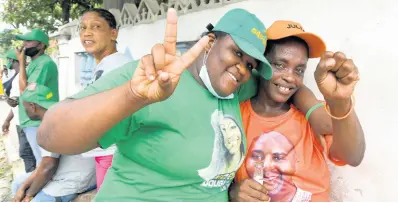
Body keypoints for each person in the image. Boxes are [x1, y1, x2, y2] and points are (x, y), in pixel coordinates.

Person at [37, 9, 329, 201]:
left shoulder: (236, 87)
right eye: (237, 53)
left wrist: (317, 108)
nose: (242, 68)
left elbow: (287, 86)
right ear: (210, 42)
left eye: (250, 63)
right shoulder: (154, 78)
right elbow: (51, 134)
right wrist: (133, 97)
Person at [230, 20, 365, 202]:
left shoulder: (311, 115)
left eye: (299, 70)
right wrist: (233, 192)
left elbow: (353, 156)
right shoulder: (235, 117)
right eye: (280, 65)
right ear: (260, 64)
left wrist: (340, 101)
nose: (290, 77)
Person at [12, 83, 96, 202]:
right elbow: (45, 164)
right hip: (73, 170)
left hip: (76, 180)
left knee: (35, 199)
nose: (24, 111)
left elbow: (48, 167)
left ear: (32, 106)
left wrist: (29, 195)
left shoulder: (50, 124)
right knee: (18, 184)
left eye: (24, 107)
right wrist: (23, 187)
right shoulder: (61, 113)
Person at [78, 8, 133, 190]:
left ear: (113, 33)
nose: (86, 33)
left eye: (96, 27)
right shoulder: (107, 64)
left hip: (114, 153)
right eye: (83, 27)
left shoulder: (117, 67)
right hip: (106, 151)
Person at [14, 28, 59, 165]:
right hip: (30, 121)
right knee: (37, 162)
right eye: (23, 42)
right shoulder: (35, 63)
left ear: (41, 45)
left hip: (38, 121)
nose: (24, 45)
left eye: (28, 41)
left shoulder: (44, 63)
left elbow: (25, 90)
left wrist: (21, 62)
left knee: (43, 164)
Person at [2, 49, 37, 173]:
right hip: (19, 121)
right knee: (28, 153)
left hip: (27, 121)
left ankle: (32, 182)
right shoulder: (16, 76)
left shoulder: (23, 77)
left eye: (9, 60)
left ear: (12, 60)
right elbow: (15, 104)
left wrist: (17, 100)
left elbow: (27, 98)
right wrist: (7, 120)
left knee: (27, 153)